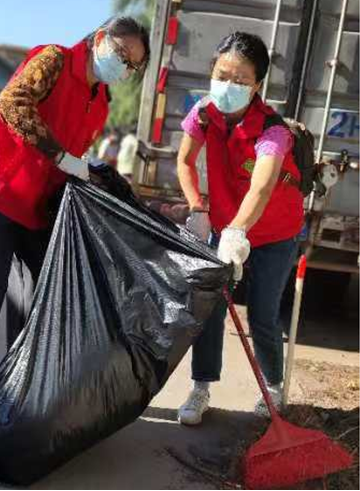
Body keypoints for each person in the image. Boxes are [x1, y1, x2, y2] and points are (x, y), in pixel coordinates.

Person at [0, 16, 150, 431]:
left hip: (36, 206)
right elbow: (13, 104)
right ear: (100, 39)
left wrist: (89, 176)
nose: (123, 65)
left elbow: (75, 159)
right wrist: (62, 157)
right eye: (121, 53)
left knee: (34, 297)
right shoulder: (55, 60)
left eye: (132, 64)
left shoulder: (100, 103)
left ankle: (19, 387)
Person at [176, 32, 303, 424]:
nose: (228, 85)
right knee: (210, 307)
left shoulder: (273, 131)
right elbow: (184, 162)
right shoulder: (203, 114)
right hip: (226, 225)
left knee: (262, 315)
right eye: (222, 75)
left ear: (257, 85)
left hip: (275, 233)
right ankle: (200, 387)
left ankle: (272, 389)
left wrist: (237, 231)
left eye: (240, 79)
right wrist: (198, 208)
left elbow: (261, 186)